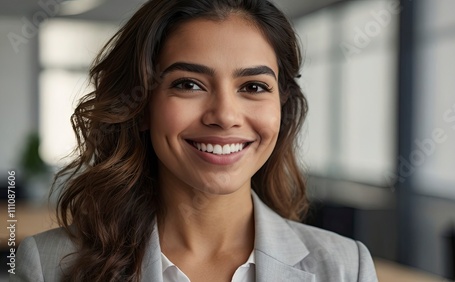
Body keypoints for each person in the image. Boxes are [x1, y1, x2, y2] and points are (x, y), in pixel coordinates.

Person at [12, 0, 378, 281]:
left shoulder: (347, 267)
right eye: (188, 84)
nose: (225, 115)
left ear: (281, 109)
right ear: (140, 106)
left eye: (253, 87)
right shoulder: (48, 265)